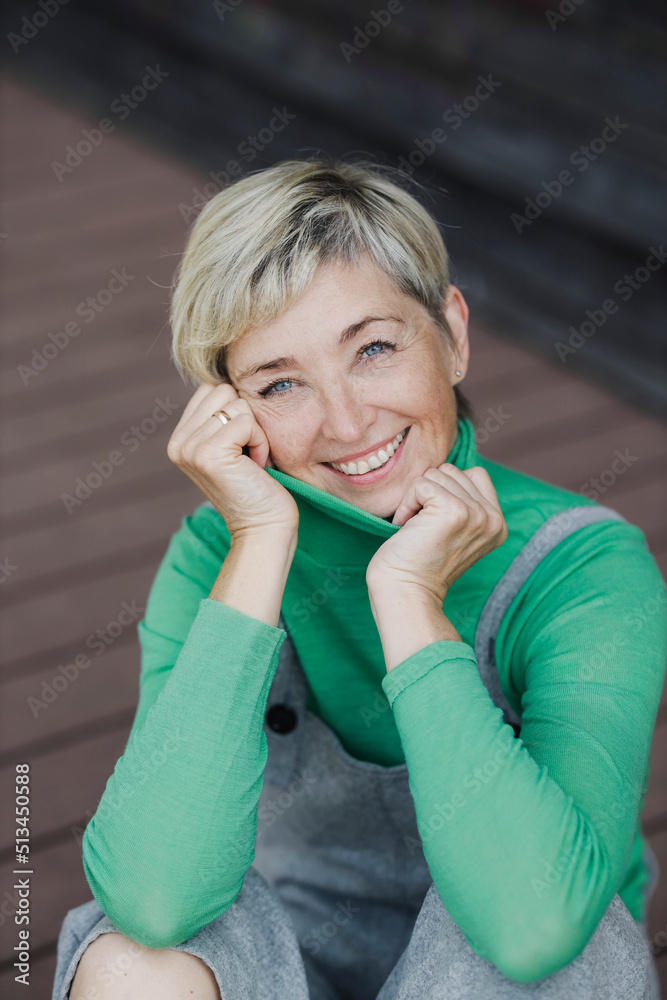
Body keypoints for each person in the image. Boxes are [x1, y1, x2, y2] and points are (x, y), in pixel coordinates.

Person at [52, 159, 665, 1000]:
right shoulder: (214, 559)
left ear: (450, 333)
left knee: (562, 955)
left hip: (510, 965)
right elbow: (157, 896)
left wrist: (409, 604)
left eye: (373, 348)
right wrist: (260, 541)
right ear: (228, 412)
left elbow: (534, 928)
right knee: (132, 960)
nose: (345, 421)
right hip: (295, 959)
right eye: (279, 383)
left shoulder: (584, 570)